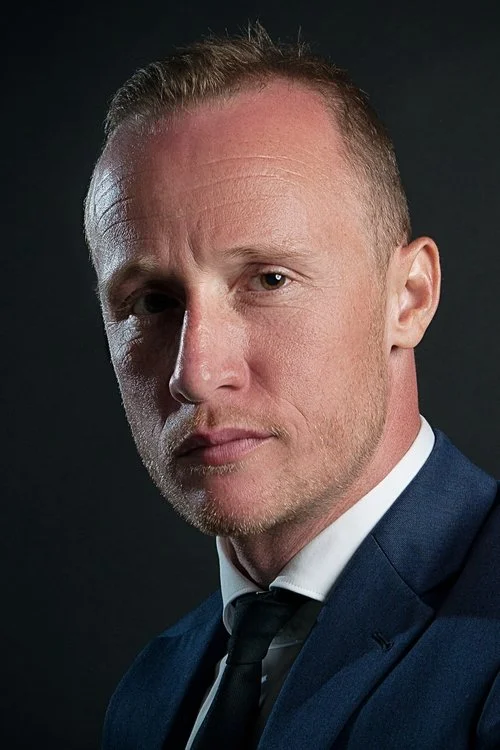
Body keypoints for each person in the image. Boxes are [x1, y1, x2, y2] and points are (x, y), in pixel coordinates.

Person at [84, 23, 500, 750]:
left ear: (408, 298)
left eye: (270, 280)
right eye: (152, 302)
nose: (195, 373)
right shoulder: (149, 696)